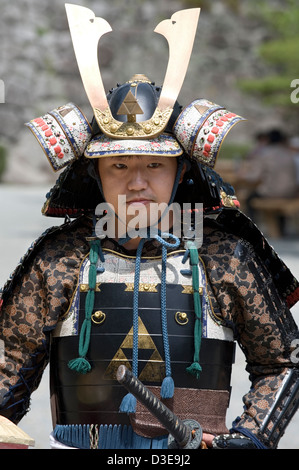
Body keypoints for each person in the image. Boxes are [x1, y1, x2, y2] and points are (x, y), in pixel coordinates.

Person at [0, 5, 299, 450]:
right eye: (118, 164)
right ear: (94, 174)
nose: (137, 181)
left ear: (181, 172)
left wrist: (250, 437)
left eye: (155, 165)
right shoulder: (60, 257)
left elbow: (283, 361)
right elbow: (8, 363)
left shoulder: (225, 254)